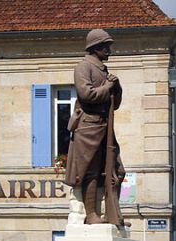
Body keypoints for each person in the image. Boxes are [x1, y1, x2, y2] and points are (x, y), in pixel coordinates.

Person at [65, 28, 125, 225]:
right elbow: (86, 95)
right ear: (95, 48)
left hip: (104, 126)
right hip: (88, 126)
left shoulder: (103, 70)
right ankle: (91, 214)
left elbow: (113, 104)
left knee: (117, 169)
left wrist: (116, 87)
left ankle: (113, 213)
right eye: (105, 46)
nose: (109, 50)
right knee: (90, 171)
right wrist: (107, 87)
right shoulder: (83, 67)